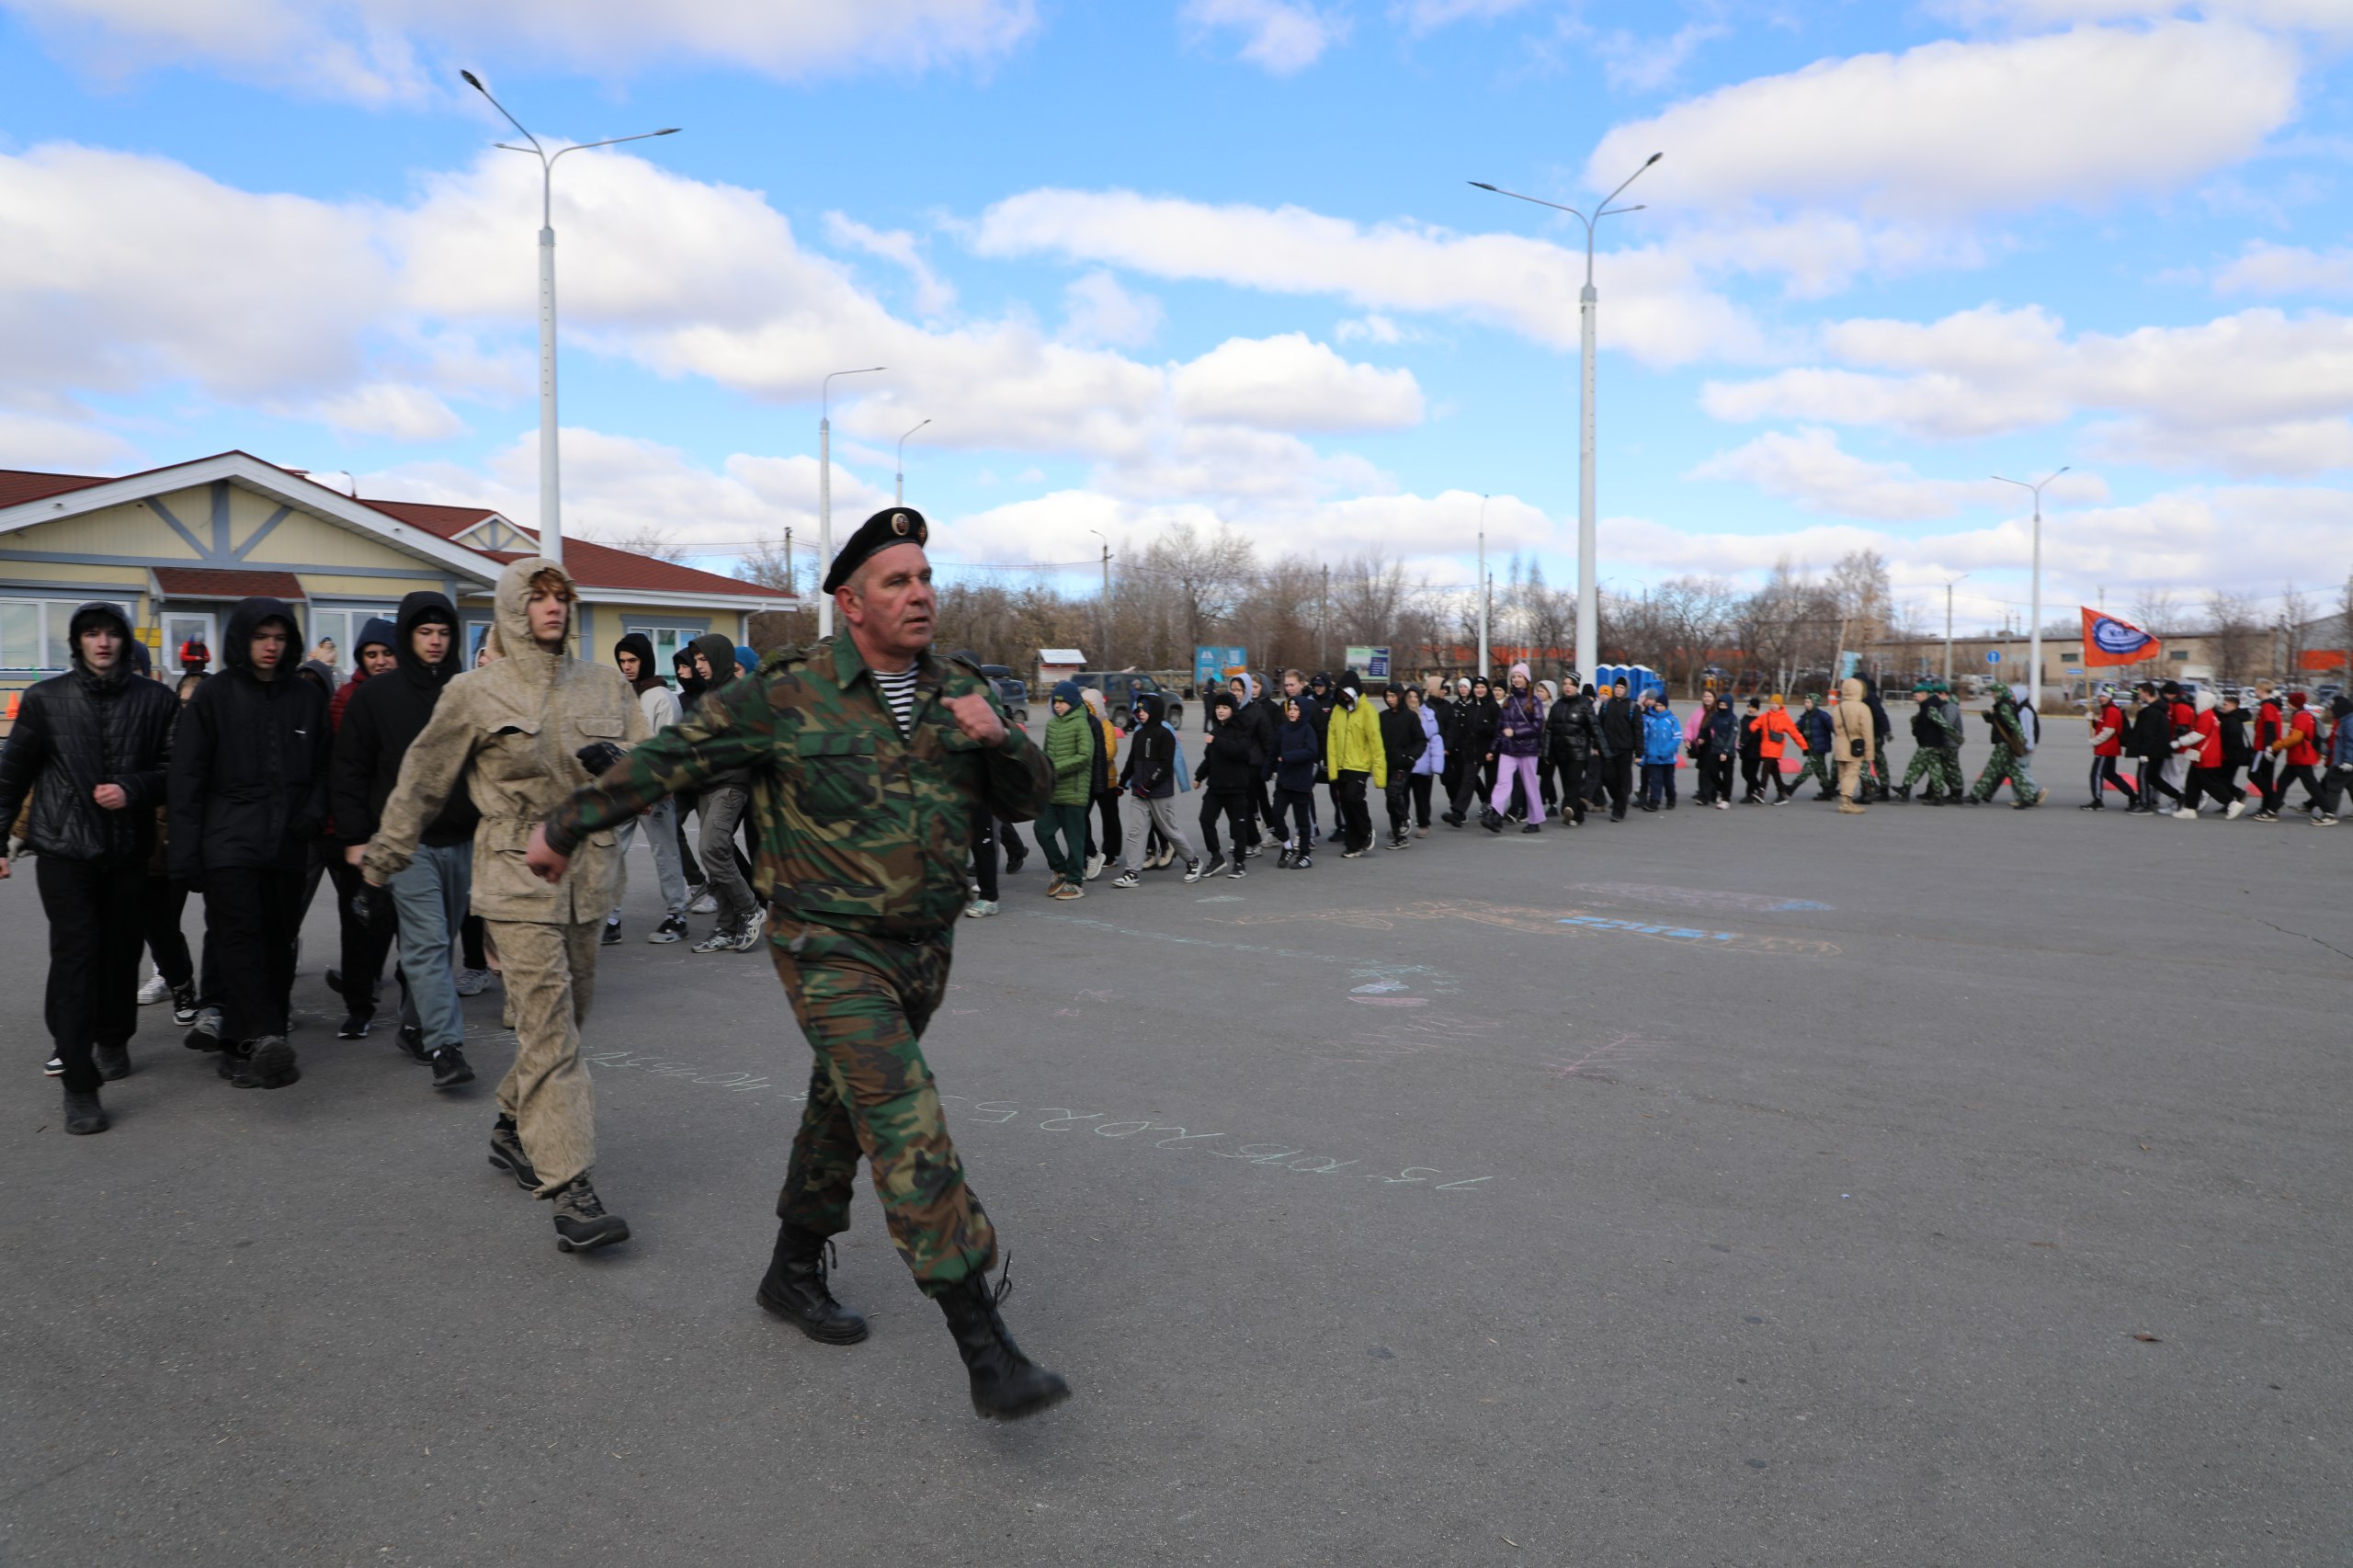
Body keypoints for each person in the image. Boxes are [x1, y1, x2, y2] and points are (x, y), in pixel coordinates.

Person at [534, 506, 1068, 1420]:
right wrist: (563, 823)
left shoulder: (960, 685)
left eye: (925, 577)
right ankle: (986, 1343)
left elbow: (1027, 800)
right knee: (903, 1119)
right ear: (849, 602)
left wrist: (1000, 737)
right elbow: (672, 757)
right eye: (897, 581)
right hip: (827, 947)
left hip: (924, 948)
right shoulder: (788, 692)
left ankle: (790, 1269)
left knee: (843, 1104)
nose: (920, 594)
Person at [365, 558, 650, 1254]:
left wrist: (624, 767)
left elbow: (655, 768)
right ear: (513, 607)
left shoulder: (604, 682)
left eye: (562, 596)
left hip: (588, 877)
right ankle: (571, 1187)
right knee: (550, 1031)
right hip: (514, 873)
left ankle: (509, 1126)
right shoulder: (476, 690)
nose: (552, 607)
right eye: (538, 597)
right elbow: (424, 777)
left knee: (568, 1022)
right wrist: (385, 855)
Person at [0, 602, 178, 1134]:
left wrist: (134, 789)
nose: (102, 643)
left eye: (110, 634)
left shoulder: (158, 701)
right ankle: (79, 1083)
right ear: (77, 643)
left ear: (125, 641)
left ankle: (114, 1038)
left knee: (121, 956)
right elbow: (12, 775)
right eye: (91, 634)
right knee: (76, 959)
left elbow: (177, 769)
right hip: (64, 852)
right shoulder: (44, 699)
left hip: (128, 853)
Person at [169, 596, 330, 1090]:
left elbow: (326, 766)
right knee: (239, 940)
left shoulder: (305, 698)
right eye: (262, 637)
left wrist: (311, 814)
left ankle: (261, 1038)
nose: (271, 647)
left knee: (277, 943)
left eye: (280, 639)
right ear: (243, 639)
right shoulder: (215, 696)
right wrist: (185, 853)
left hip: (285, 843)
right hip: (228, 841)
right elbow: (186, 777)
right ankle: (255, 1040)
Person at [332, 592, 479, 1088]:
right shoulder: (377, 696)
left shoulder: (469, 692)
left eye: (442, 633)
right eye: (424, 632)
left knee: (441, 943)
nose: (435, 642)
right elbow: (350, 769)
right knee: (428, 941)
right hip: (404, 842)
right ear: (407, 636)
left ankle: (416, 1024)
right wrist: (355, 837)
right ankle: (446, 1047)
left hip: (463, 838)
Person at [680, 634, 763, 953]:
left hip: (730, 785)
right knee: (716, 854)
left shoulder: (739, 695)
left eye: (704, 660)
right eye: (696, 660)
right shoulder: (708, 696)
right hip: (705, 786)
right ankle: (727, 928)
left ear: (720, 659)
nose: (698, 666)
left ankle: (750, 909)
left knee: (712, 848)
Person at [610, 633, 691, 944]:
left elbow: (669, 749)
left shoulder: (662, 697)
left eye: (632, 660)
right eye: (622, 661)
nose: (626, 667)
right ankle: (611, 918)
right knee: (611, 848)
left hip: (655, 790)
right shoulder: (626, 696)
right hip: (625, 788)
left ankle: (677, 916)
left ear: (645, 659)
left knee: (664, 851)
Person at [1111, 692, 1203, 887]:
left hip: (1159, 793)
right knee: (1135, 832)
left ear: (1155, 711)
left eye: (1144, 709)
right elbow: (1131, 762)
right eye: (1138, 710)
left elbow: (1165, 765)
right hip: (1139, 792)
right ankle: (1132, 872)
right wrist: (1122, 783)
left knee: (1169, 831)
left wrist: (1149, 785)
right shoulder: (1138, 733)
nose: (1140, 713)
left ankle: (1193, 861)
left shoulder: (1165, 734)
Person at [1038, 681, 1092, 898]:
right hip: (1053, 791)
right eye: (1055, 701)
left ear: (1073, 702)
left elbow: (1085, 756)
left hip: (1074, 791)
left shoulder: (1081, 724)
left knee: (1074, 840)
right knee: (1041, 830)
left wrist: (1055, 768)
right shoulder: (1052, 725)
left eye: (1063, 702)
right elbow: (1045, 754)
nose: (1058, 706)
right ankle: (1060, 868)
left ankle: (1076, 882)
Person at [1323, 668, 1385, 857]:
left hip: (1359, 765)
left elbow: (1376, 742)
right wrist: (1332, 771)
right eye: (1341, 692)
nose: (1343, 696)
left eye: (1347, 692)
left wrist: (1379, 774)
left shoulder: (1368, 711)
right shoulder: (1337, 711)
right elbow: (1331, 742)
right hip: (1342, 765)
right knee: (1346, 804)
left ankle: (1366, 831)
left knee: (1353, 797)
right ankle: (1353, 844)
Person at [1197, 688, 1259, 876]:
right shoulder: (1216, 729)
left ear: (1233, 709)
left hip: (1236, 786)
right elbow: (1209, 758)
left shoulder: (1241, 728)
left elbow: (1240, 751)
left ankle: (1239, 863)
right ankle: (1216, 857)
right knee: (1205, 820)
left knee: (1238, 826)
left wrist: (1216, 741)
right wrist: (1199, 776)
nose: (1220, 711)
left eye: (1225, 707)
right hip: (1215, 787)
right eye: (1218, 707)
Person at [1481, 664, 1544, 835]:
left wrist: (1515, 732)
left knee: (1530, 785)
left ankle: (1535, 820)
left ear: (1527, 679)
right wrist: (1492, 749)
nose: (1516, 679)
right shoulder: (1509, 701)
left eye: (1520, 676)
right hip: (1508, 750)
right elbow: (1500, 727)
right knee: (1502, 782)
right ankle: (1495, 815)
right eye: (1514, 676)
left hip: (1528, 750)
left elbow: (1538, 726)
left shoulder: (1535, 701)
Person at [1967, 683, 2045, 808]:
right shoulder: (2003, 706)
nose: (1992, 695)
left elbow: (2014, 725)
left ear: (1999, 693)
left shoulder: (2004, 706)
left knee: (1991, 770)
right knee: (2013, 771)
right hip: (2005, 743)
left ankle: (1975, 796)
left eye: (1994, 693)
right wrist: (1988, 716)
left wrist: (2022, 742)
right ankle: (2027, 797)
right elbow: (2001, 722)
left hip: (2003, 744)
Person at [2254, 691, 2323, 821]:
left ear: (2294, 704)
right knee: (2282, 783)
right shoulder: (2301, 715)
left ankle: (2328, 811)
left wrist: (2275, 746)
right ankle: (2272, 811)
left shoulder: (2301, 717)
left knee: (2311, 786)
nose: (2287, 704)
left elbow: (2295, 738)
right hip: (2296, 758)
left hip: (2301, 758)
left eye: (2289, 702)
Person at [1272, 694, 1323, 869]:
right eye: (1290, 709)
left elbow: (1311, 752)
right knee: (1276, 815)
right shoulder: (1283, 729)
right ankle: (1287, 846)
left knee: (1302, 822)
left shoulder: (1308, 730)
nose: (1292, 713)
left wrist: (1287, 757)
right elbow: (1274, 751)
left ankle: (1305, 855)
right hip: (1284, 782)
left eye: (1295, 709)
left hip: (1301, 783)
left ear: (1303, 712)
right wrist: (1265, 771)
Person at [1895, 684, 1962, 804]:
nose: (1914, 698)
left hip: (1929, 743)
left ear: (1923, 695)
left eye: (1915, 696)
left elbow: (1942, 723)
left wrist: (1956, 736)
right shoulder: (1928, 705)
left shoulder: (1930, 706)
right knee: (1935, 769)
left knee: (1914, 766)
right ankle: (1937, 796)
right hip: (1935, 743)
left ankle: (1905, 791)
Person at [1379, 684, 1427, 848]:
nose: (1390, 700)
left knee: (1394, 792)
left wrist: (1411, 756)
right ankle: (1399, 836)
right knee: (1390, 801)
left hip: (1403, 764)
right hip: (1386, 764)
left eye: (1393, 696)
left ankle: (1405, 818)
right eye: (1387, 696)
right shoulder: (1382, 717)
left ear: (1400, 696)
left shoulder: (1410, 717)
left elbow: (1421, 740)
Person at [1543, 676, 1597, 825]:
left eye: (1571, 684)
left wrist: (1603, 751)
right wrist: (1546, 753)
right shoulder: (1557, 705)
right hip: (1561, 751)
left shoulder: (1585, 704)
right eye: (1565, 684)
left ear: (1577, 687)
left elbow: (1595, 729)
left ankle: (1568, 808)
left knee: (1574, 782)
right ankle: (1577, 815)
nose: (1567, 687)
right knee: (1568, 785)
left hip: (1578, 752)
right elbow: (1549, 730)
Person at [2083, 687, 2139, 812]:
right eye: (2099, 696)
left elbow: (2109, 731)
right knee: (2111, 775)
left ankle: (2098, 801)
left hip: (2106, 748)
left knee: (2096, 775)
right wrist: (2092, 721)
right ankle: (2133, 796)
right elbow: (2102, 727)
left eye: (2104, 696)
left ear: (2109, 697)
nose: (2101, 698)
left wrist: (2094, 741)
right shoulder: (2106, 710)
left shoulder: (2112, 711)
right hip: (2106, 748)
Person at [1594, 679, 1636, 822]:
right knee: (1607, 777)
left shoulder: (1632, 707)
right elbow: (1598, 727)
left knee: (1623, 781)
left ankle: (1619, 811)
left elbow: (1638, 731)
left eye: (1621, 687)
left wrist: (1640, 752)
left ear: (1626, 690)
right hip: (1608, 750)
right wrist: (1596, 746)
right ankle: (1618, 799)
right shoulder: (1606, 705)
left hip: (1625, 751)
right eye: (1616, 687)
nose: (1618, 690)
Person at [1830, 677, 1873, 813]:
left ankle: (1847, 801)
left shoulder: (1838, 708)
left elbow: (1835, 728)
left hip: (1840, 744)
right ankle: (1845, 802)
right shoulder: (1863, 708)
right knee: (1853, 772)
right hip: (1855, 744)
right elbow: (1867, 732)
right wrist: (1869, 753)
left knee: (1843, 773)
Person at [1405, 686, 1444, 835]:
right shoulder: (1402, 714)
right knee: (1400, 796)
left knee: (1422, 797)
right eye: (1410, 697)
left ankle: (1423, 823)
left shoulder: (1428, 715)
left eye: (1416, 697)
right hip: (1405, 762)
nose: (1413, 700)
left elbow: (1435, 739)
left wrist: (1437, 764)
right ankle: (1401, 822)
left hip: (1423, 762)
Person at [1754, 694, 1804, 803]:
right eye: (1772, 703)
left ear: (1780, 705)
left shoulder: (1785, 718)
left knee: (1766, 768)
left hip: (1776, 749)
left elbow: (1795, 733)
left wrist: (1804, 746)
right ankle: (1783, 794)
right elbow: (1753, 725)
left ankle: (1761, 791)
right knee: (1774, 771)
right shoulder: (1765, 716)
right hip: (1765, 748)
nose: (1774, 706)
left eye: (1776, 704)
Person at [2310, 695, 2350, 826]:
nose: (2332, 712)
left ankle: (2329, 814)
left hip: (2345, 762)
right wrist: (2326, 753)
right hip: (2342, 760)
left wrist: (2349, 761)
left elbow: (2351, 743)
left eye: (2334, 710)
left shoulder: (2349, 723)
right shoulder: (2345, 721)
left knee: (2333, 786)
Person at [1638, 689, 1681, 812]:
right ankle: (1654, 802)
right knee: (1655, 781)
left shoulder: (1672, 719)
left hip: (1667, 758)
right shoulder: (1650, 720)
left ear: (1666, 706)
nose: (1658, 707)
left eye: (1661, 705)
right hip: (1653, 757)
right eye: (1657, 705)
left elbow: (1677, 737)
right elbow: (1645, 737)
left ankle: (1671, 798)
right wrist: (1644, 753)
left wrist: (1666, 751)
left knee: (1668, 781)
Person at [1792, 693, 1837, 801]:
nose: (1806, 704)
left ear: (1815, 703)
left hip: (1819, 747)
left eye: (1809, 702)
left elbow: (1834, 727)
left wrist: (1841, 737)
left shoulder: (1823, 716)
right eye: (1805, 702)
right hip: (1810, 748)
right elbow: (1795, 728)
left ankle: (1791, 788)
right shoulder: (1805, 717)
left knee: (1807, 769)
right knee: (1820, 770)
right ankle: (1827, 791)